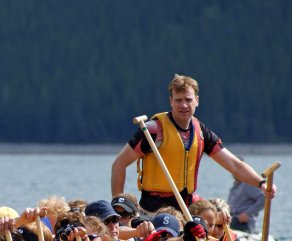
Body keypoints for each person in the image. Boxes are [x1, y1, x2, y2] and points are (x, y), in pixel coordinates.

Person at [110, 74, 277, 214]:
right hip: (153, 211)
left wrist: (261, 184)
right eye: (178, 100)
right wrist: (118, 208)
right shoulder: (153, 130)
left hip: (184, 210)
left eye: (188, 100)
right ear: (171, 101)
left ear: (197, 100)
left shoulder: (201, 132)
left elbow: (235, 165)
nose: (183, 105)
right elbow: (119, 164)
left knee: (215, 216)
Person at [228, 158, 266, 233]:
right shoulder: (235, 186)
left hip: (244, 224)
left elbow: (263, 198)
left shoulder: (249, 184)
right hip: (232, 221)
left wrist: (247, 213)